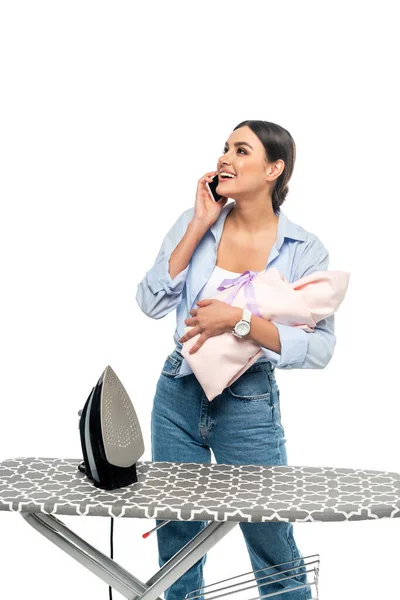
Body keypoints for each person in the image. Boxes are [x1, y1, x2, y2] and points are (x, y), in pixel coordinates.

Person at [136, 120, 335, 599]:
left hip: (248, 405)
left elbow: (320, 348)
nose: (225, 158)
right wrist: (199, 224)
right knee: (179, 534)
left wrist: (238, 320)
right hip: (177, 392)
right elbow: (150, 301)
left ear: (274, 168)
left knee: (269, 533)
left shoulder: (303, 249)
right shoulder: (195, 222)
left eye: (241, 150)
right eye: (224, 148)